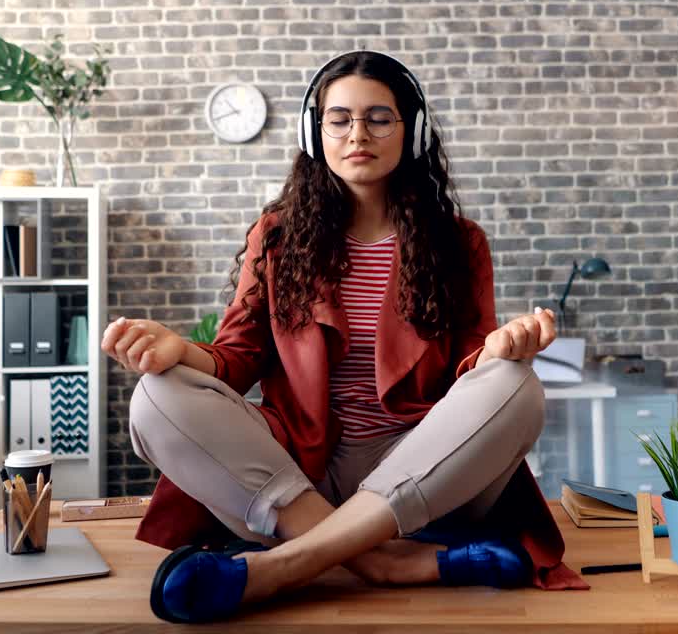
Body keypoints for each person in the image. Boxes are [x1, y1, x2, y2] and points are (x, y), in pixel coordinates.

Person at [103, 50, 586, 623]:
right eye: (340, 118)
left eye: (379, 118)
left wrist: (501, 351)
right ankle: (386, 563)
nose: (358, 133)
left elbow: (469, 371)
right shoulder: (278, 236)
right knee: (159, 394)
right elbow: (237, 358)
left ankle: (288, 566)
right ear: (316, 132)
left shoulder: (460, 243)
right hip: (295, 475)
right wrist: (178, 351)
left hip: (419, 469)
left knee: (514, 383)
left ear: (413, 131)